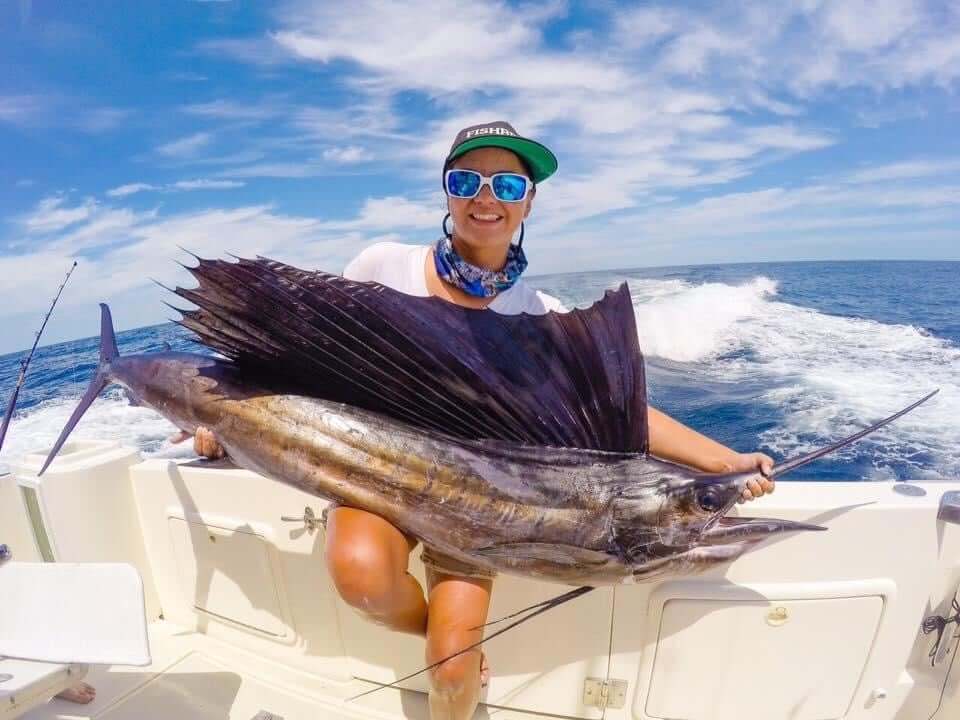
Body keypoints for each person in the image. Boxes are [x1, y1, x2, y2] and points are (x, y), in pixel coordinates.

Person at [180, 121, 776, 720]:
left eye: (507, 185)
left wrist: (723, 460)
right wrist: (225, 422)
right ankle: (432, 632)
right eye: (467, 180)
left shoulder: (536, 316)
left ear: (529, 200)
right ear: (447, 192)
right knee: (362, 579)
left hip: (485, 510)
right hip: (372, 473)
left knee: (454, 669)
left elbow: (620, 416)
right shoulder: (383, 263)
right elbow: (307, 359)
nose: (485, 197)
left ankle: (450, 646)